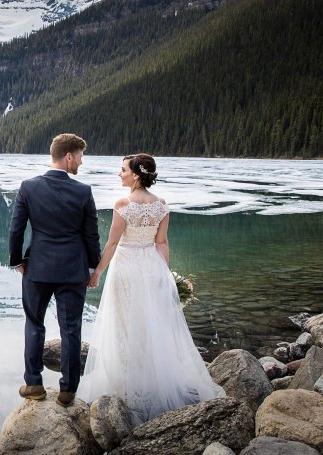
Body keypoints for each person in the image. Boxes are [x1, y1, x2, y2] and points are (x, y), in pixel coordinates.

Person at [83, 153, 224, 424]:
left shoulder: (123, 204)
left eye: (122, 170)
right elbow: (162, 243)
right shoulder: (161, 205)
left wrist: (97, 273)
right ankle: (151, 379)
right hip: (150, 266)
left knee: (125, 324)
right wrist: (165, 275)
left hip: (125, 267)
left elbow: (112, 244)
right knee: (151, 324)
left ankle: (129, 384)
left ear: (136, 174)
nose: (119, 174)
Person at [9, 133, 102, 407]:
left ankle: (34, 384)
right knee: (71, 329)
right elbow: (91, 235)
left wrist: (17, 260)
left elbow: (16, 229)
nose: (81, 164)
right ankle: (67, 391)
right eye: (81, 157)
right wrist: (91, 267)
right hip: (73, 270)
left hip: (36, 268)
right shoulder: (83, 191)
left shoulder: (28, 187)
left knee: (34, 324)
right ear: (69, 156)